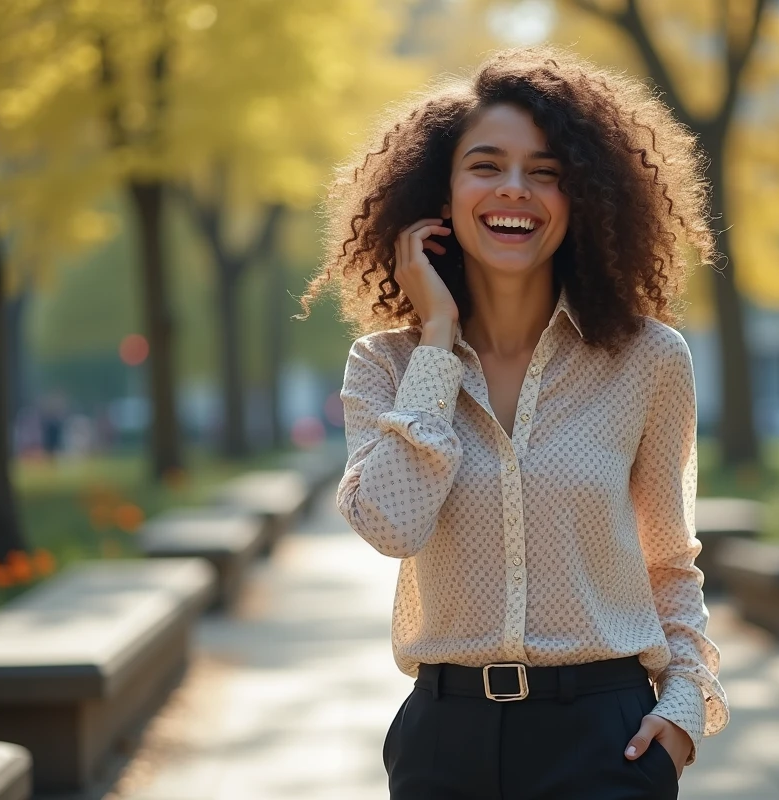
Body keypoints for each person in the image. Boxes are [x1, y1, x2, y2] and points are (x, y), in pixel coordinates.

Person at [298, 45, 729, 799]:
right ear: (441, 193)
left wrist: (685, 708)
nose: (515, 190)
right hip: (444, 740)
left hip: (606, 738)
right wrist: (437, 339)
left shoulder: (648, 359)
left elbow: (668, 561)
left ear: (581, 197)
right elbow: (392, 526)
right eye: (487, 165)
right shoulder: (386, 366)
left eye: (546, 172)